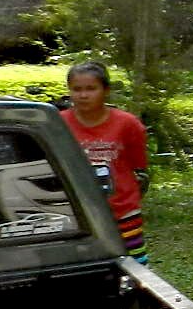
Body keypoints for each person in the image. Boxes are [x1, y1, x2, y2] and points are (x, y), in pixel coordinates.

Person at [61, 62, 151, 262]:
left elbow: (139, 166)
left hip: (122, 209)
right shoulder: (59, 123)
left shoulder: (128, 124)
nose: (83, 95)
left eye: (91, 89)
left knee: (135, 262)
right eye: (77, 89)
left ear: (106, 90)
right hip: (75, 210)